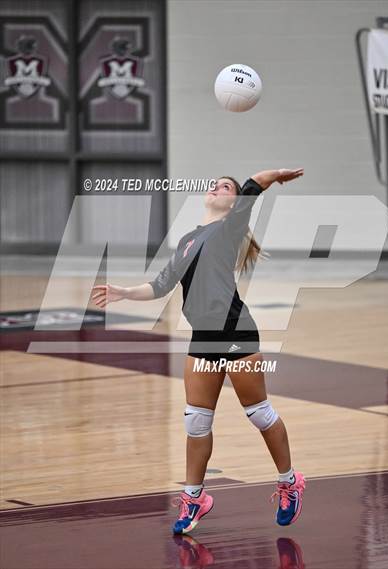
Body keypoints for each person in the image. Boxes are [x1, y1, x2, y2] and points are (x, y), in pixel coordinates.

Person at [92, 168, 306, 535]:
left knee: (259, 414)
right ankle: (195, 498)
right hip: (203, 338)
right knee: (196, 421)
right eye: (215, 184)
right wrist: (124, 292)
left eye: (225, 186)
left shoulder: (230, 227)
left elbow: (253, 186)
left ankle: (289, 482)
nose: (216, 187)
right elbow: (161, 285)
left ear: (233, 202)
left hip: (236, 332)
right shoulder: (188, 239)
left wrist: (275, 176)